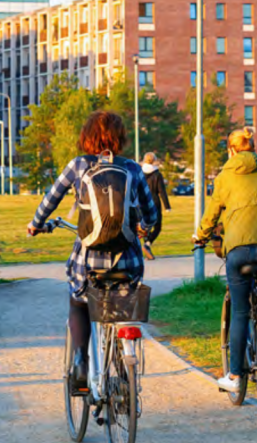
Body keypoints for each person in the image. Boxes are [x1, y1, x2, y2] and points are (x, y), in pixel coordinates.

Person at [26, 111, 158, 386]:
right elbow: (151, 214)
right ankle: (123, 369)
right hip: (128, 263)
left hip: (88, 263)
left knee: (78, 301)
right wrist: (142, 228)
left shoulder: (78, 166)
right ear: (120, 137)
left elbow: (50, 200)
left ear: (87, 137)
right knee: (122, 306)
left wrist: (36, 224)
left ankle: (80, 364)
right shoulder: (132, 168)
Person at [195, 127, 257, 392]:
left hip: (239, 251)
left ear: (232, 150)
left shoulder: (225, 176)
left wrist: (200, 236)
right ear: (254, 147)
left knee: (240, 311)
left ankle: (235, 377)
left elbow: (212, 214)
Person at [140, 152, 170, 260]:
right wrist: (167, 206)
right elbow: (162, 191)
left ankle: (145, 246)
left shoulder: (140, 172)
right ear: (154, 160)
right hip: (154, 202)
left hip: (142, 202)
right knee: (157, 226)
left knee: (145, 227)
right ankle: (147, 244)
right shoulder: (157, 174)